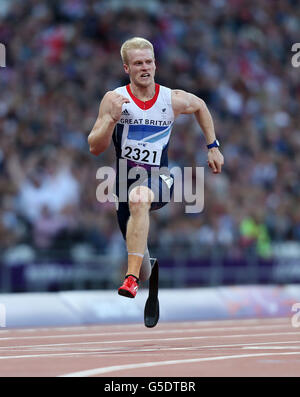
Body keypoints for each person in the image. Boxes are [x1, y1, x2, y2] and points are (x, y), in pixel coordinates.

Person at [88, 37, 224, 299]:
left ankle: (130, 280)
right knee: (143, 264)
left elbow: (201, 106)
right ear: (126, 68)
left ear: (155, 64)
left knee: (140, 198)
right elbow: (95, 146)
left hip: (159, 177)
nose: (145, 68)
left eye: (149, 62)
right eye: (138, 63)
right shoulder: (114, 99)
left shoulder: (170, 98)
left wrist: (213, 146)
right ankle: (146, 271)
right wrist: (111, 120)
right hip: (124, 182)